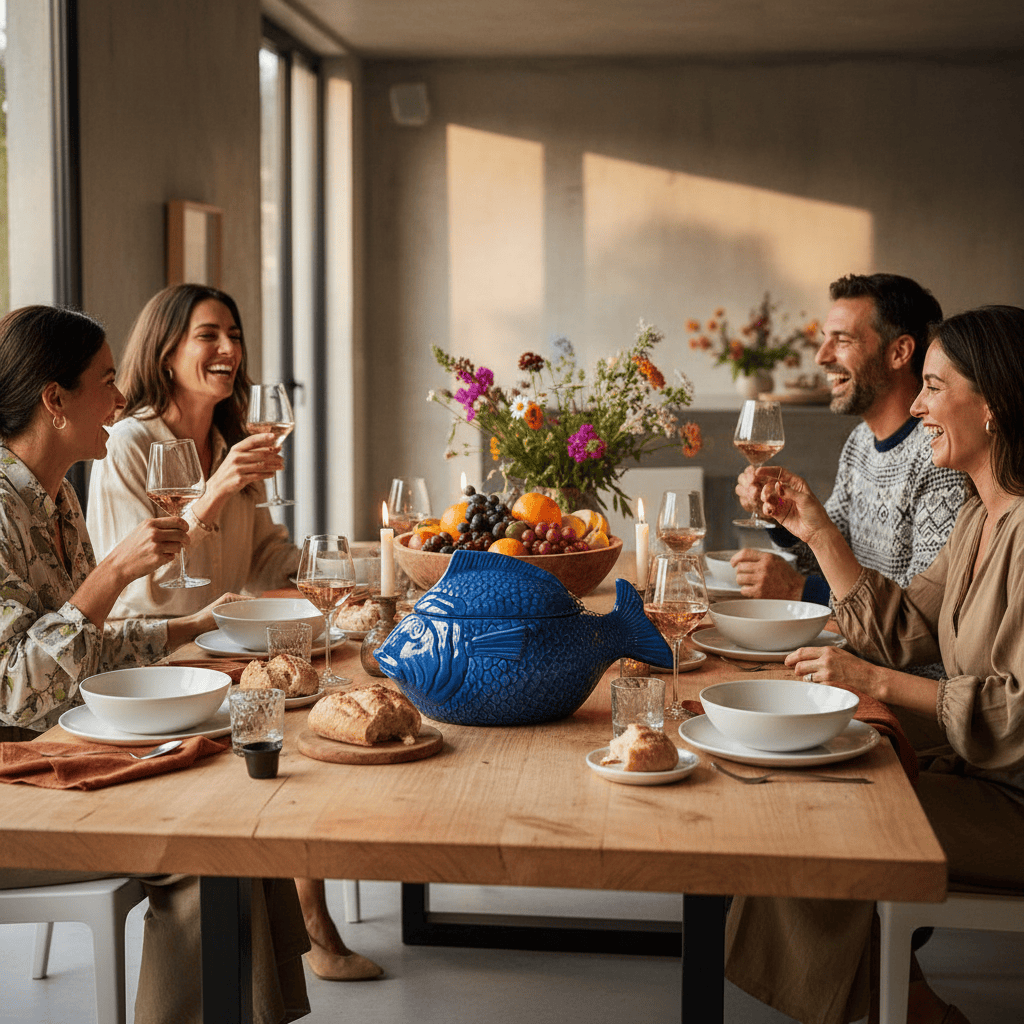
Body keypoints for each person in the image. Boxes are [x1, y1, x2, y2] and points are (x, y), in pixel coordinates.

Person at [0, 304, 311, 1024]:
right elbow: (16, 689)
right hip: (22, 773)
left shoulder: (53, 501)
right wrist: (110, 573)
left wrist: (193, 627)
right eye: (105, 382)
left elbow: (81, 651)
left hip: (70, 738)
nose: (118, 398)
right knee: (206, 850)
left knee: (238, 801)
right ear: (54, 399)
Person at [726, 305, 1024, 1024]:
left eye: (933, 386)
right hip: (978, 773)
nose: (917, 405)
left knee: (827, 809)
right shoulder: (980, 517)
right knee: (806, 775)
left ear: (994, 405)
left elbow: (1014, 712)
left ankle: (913, 1012)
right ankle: (904, 1002)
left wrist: (874, 684)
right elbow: (905, 627)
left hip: (1014, 804)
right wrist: (816, 528)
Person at [87, 283, 383, 982]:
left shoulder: (230, 440)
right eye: (208, 335)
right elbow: (143, 588)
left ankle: (305, 925)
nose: (228, 350)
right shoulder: (131, 444)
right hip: (154, 656)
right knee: (286, 732)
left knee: (324, 704)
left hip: (218, 647)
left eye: (235, 336)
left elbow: (266, 561)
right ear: (166, 351)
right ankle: (314, 927)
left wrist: (357, 561)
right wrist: (217, 488)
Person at [732, 274, 966, 625]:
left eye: (841, 341)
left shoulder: (941, 455)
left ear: (899, 352)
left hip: (898, 673)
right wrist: (780, 514)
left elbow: (916, 617)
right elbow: (832, 556)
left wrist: (800, 591)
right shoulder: (860, 441)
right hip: (850, 644)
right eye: (825, 340)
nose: (822, 357)